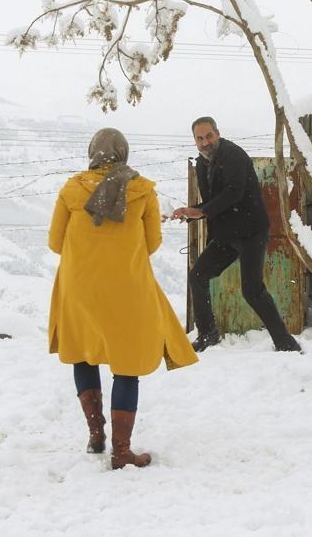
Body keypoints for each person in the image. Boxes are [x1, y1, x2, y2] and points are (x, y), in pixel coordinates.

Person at [48, 128, 198, 469]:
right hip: (127, 288)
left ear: (92, 153)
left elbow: (56, 243)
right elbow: (152, 243)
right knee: (127, 366)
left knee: (83, 355)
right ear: (123, 153)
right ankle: (121, 450)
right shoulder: (142, 190)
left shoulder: (72, 189)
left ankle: (95, 435)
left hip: (80, 287)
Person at [170, 117, 302, 353]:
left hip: (251, 231)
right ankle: (208, 334)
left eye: (209, 136)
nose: (205, 142)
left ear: (218, 133)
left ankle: (286, 344)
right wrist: (191, 212)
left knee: (252, 290)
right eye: (199, 138)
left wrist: (201, 212)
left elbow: (234, 192)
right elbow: (213, 200)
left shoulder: (234, 155)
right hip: (226, 234)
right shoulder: (201, 164)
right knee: (198, 276)